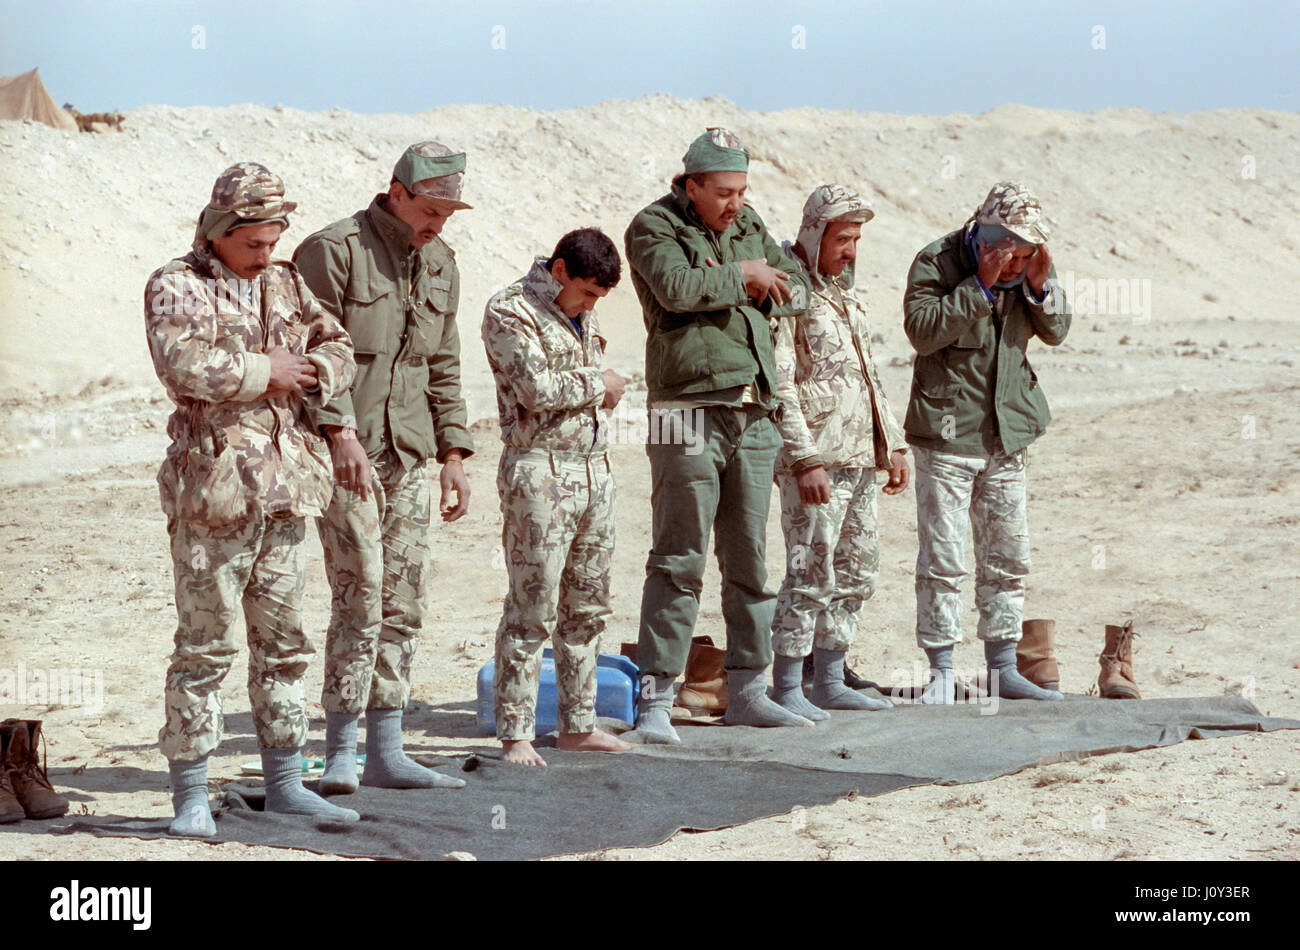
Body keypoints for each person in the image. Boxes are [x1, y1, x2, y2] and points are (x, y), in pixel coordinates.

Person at [146, 162, 357, 836]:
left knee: (285, 645)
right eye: (253, 244)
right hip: (213, 496)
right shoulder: (175, 285)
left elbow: (340, 347)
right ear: (218, 232)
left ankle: (287, 784)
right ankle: (190, 796)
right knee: (205, 649)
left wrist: (313, 370)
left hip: (288, 494)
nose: (266, 255)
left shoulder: (288, 282)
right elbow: (182, 365)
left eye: (272, 241)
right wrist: (270, 372)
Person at [293, 142, 475, 792]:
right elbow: (312, 357)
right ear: (396, 191)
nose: (437, 225)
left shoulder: (443, 265)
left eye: (447, 215)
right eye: (430, 210)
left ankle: (386, 751)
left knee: (404, 601)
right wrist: (337, 431)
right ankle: (342, 750)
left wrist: (453, 452)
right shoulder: (332, 251)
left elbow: (443, 365)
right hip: (345, 456)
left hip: (410, 456)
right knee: (360, 595)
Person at [623, 127, 813, 744]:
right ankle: (655, 700)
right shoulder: (653, 226)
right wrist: (746, 279)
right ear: (691, 185)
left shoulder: (750, 226)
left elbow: (799, 291)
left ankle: (749, 690)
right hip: (684, 409)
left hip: (753, 411)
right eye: (724, 192)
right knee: (679, 557)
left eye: (742, 191)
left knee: (751, 559)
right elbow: (675, 291)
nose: (735, 203)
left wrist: (745, 278)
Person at [902, 181, 1071, 703]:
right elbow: (922, 331)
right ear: (986, 238)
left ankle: (1003, 667)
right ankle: (942, 672)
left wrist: (1041, 290)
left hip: (1007, 435)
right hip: (948, 437)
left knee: (1008, 557)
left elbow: (1058, 331)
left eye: (1027, 252)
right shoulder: (936, 261)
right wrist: (979, 284)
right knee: (943, 559)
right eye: (1012, 251)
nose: (1019, 261)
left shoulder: (1031, 265)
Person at [481, 228, 633, 766]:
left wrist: (597, 388)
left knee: (587, 604)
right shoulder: (510, 308)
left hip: (592, 469)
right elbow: (536, 389)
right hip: (539, 470)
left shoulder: (578, 312)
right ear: (560, 270)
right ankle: (517, 733)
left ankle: (578, 724)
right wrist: (601, 383)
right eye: (587, 292)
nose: (591, 305)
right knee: (532, 605)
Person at [769, 185, 910, 720]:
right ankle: (786, 688)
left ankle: (829, 679)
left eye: (856, 239)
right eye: (842, 238)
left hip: (860, 459)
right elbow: (781, 382)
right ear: (814, 234)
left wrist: (892, 442)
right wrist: (805, 458)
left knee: (857, 572)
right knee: (810, 572)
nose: (851, 250)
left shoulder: (846, 294)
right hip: (819, 463)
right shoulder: (792, 292)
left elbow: (869, 375)